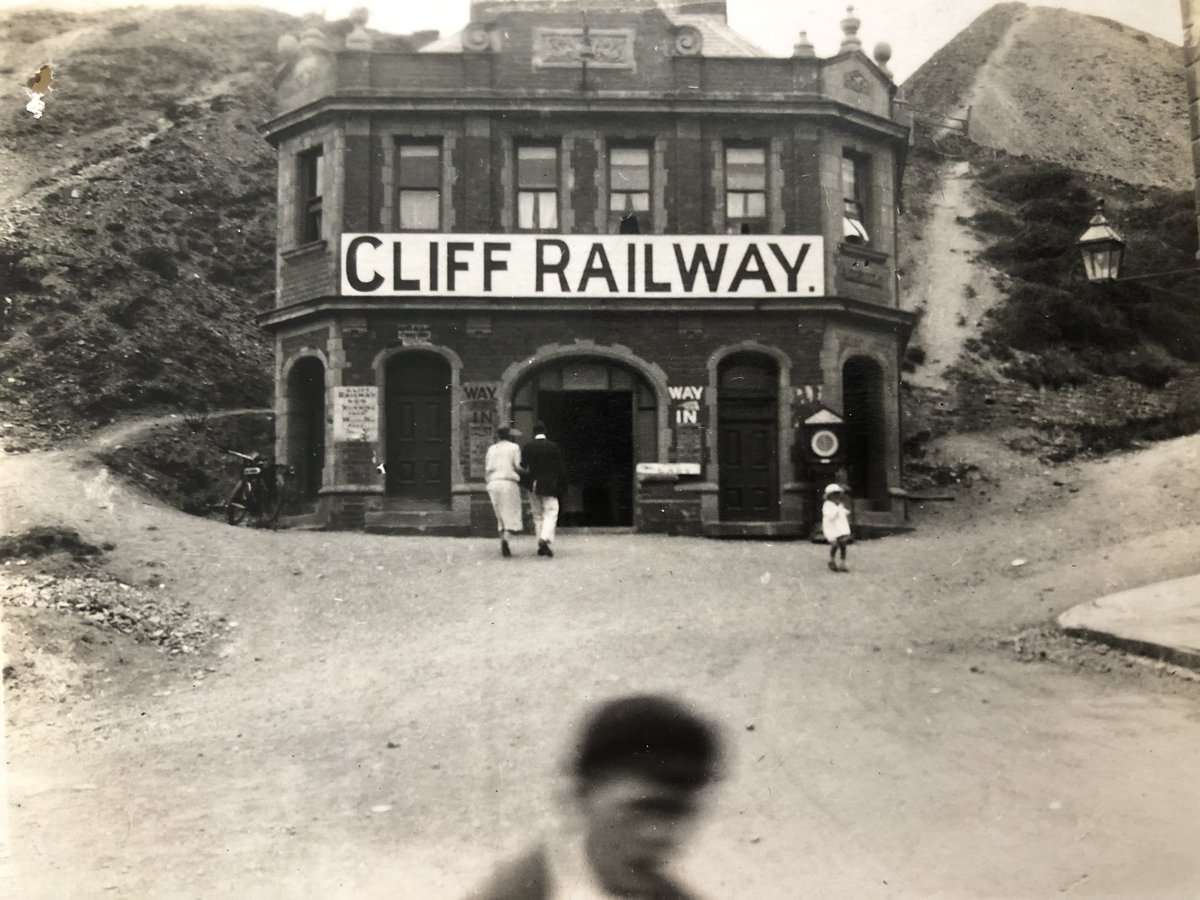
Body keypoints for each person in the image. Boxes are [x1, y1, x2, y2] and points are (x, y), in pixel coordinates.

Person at [470, 694, 724, 900]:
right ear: (579, 797)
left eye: (680, 812)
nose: (661, 834)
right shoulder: (510, 892)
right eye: (640, 809)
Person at [521, 422, 569, 558]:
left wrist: (526, 483)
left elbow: (524, 467)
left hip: (533, 484)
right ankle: (544, 538)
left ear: (533, 432)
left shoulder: (528, 447)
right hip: (549, 484)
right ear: (545, 431)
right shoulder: (553, 447)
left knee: (537, 515)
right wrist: (563, 484)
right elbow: (560, 468)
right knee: (551, 511)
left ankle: (541, 544)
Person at [485, 425, 525, 557]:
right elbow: (517, 466)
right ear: (509, 436)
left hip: (493, 483)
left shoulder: (492, 449)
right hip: (508, 482)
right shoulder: (514, 447)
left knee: (500, 514)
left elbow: (488, 468)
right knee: (511, 512)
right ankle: (506, 540)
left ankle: (503, 538)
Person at [822, 483, 852, 572]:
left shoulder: (839, 505)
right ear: (829, 496)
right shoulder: (827, 505)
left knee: (843, 544)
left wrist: (843, 509)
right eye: (834, 495)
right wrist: (837, 508)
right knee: (834, 544)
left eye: (838, 495)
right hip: (831, 529)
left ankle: (842, 563)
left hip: (840, 529)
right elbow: (831, 516)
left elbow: (844, 514)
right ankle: (831, 560)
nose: (836, 497)